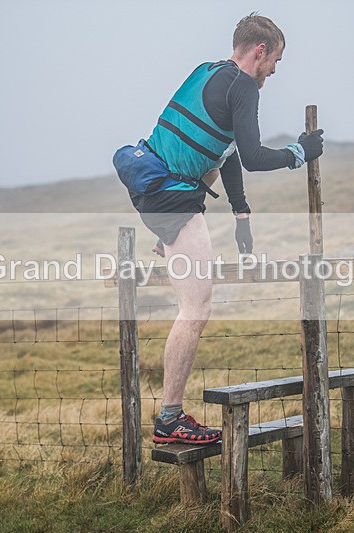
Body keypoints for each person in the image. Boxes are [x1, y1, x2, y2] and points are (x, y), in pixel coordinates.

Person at [118, 13, 324, 445]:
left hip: (154, 185)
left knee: (193, 306)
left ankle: (171, 416)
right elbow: (252, 155)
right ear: (259, 51)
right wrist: (299, 153)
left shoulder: (208, 71)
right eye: (276, 61)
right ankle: (169, 420)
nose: (274, 71)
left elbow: (225, 151)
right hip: (171, 200)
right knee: (196, 308)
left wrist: (241, 214)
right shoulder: (244, 86)